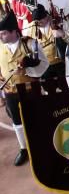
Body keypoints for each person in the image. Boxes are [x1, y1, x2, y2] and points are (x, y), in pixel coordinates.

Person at [0, 10, 48, 165]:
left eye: (4, 33)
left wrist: (27, 69)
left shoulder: (30, 43)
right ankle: (23, 148)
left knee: (35, 118)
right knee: (17, 121)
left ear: (14, 31)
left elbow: (44, 64)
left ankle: (40, 146)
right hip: (10, 92)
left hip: (29, 90)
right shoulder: (1, 48)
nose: (1, 36)